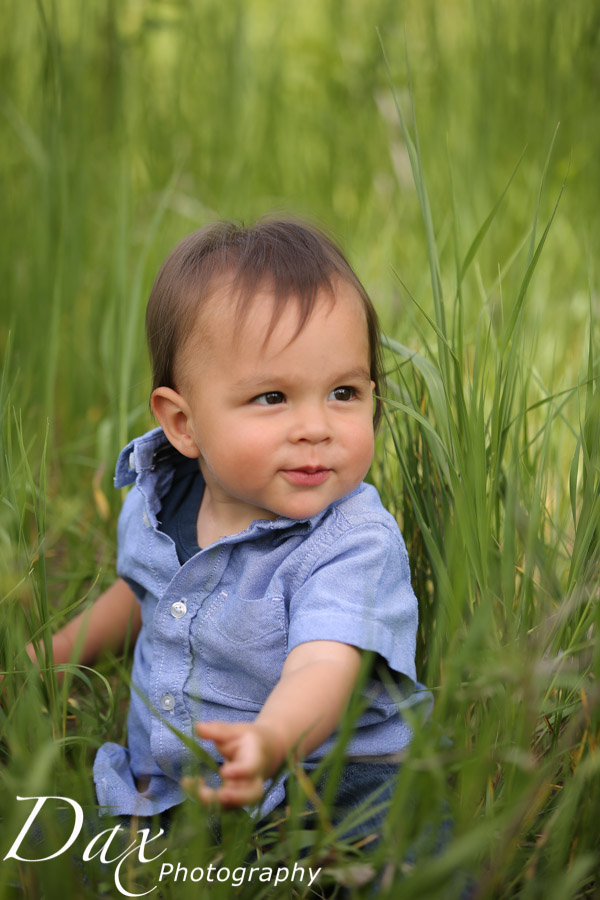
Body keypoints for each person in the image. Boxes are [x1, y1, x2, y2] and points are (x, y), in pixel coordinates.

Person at [31, 217, 431, 836]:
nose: (316, 426)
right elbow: (144, 597)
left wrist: (271, 740)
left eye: (344, 392)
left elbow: (326, 665)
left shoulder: (354, 541)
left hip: (335, 775)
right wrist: (47, 660)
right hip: (171, 781)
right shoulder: (157, 501)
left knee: (396, 848)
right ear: (184, 424)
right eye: (273, 397)